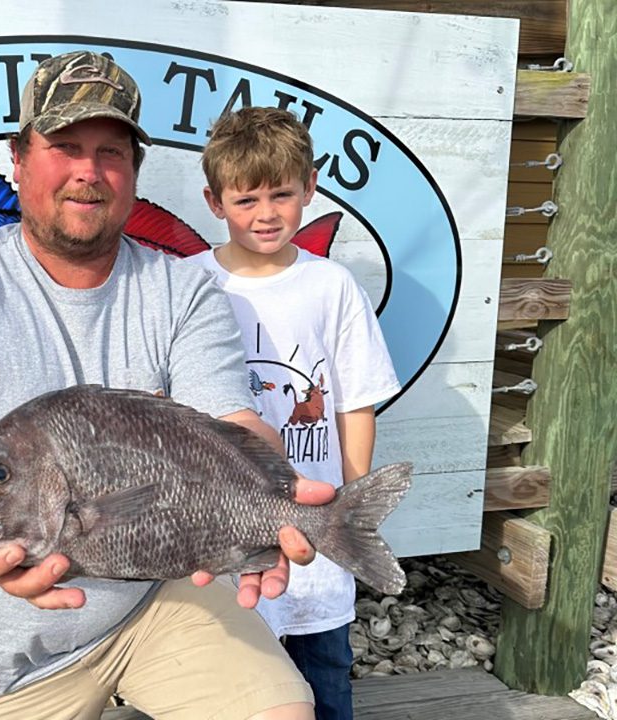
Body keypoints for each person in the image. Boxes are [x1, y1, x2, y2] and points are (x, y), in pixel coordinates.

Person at [0, 51, 337, 720]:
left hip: (163, 592)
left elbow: (233, 424)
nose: (88, 171)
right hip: (6, 655)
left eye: (111, 152)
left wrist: (275, 496)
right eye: (64, 146)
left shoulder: (182, 288)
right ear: (20, 159)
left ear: (134, 173)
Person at [184, 106, 401, 720]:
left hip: (313, 528)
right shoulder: (186, 284)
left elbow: (355, 402)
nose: (267, 213)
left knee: (322, 674)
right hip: (217, 530)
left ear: (310, 188)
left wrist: (351, 500)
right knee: (218, 677)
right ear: (214, 200)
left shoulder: (331, 286)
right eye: (247, 198)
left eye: (282, 193)